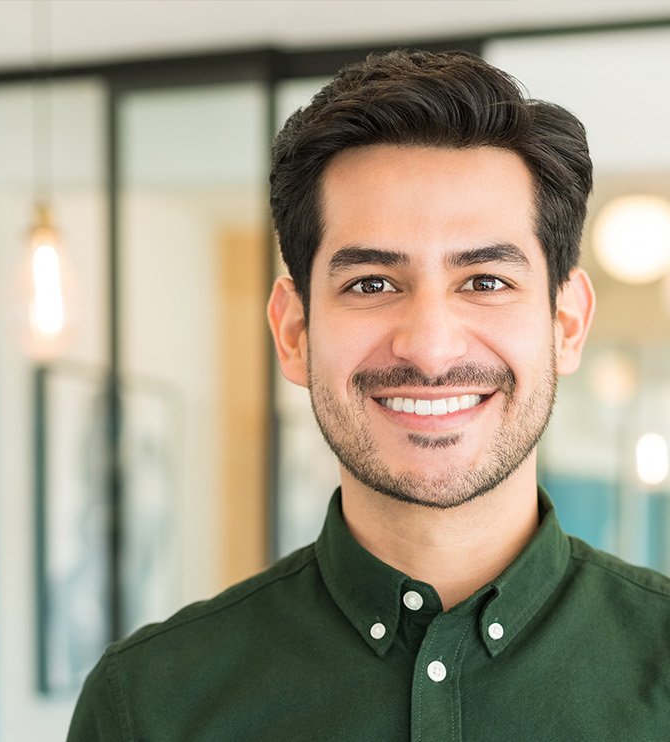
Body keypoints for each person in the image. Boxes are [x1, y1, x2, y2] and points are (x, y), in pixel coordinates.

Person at [67, 49, 670, 740]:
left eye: (484, 282)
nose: (431, 346)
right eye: (372, 284)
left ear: (566, 323)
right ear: (294, 331)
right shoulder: (149, 703)